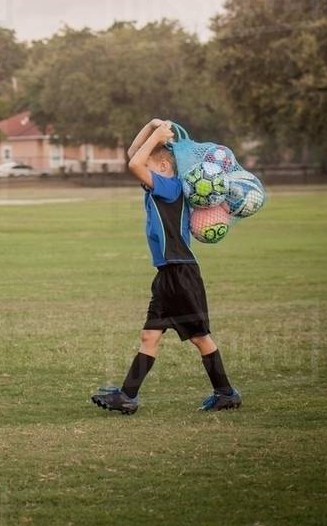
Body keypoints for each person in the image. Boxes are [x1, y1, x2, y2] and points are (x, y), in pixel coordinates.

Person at [91, 117, 241, 415]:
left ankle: (225, 393)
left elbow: (135, 163)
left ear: (162, 168)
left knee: (200, 337)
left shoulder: (170, 188)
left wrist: (158, 136)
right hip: (168, 273)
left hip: (181, 271)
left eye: (151, 165)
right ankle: (127, 396)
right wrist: (150, 127)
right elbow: (135, 156)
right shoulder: (161, 184)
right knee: (150, 336)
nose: (143, 169)